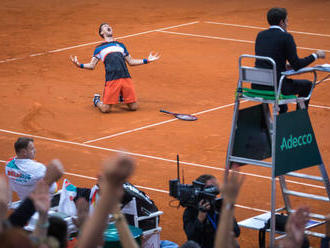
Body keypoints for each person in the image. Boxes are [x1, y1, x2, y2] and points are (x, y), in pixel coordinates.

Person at [70, 23, 160, 113]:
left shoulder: (120, 45)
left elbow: (131, 61)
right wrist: (80, 65)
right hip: (112, 79)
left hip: (125, 77)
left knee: (134, 107)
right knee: (106, 109)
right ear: (102, 33)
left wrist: (147, 60)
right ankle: (96, 101)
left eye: (109, 26)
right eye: (105, 26)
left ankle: (121, 95)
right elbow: (92, 65)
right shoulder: (99, 48)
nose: (109, 27)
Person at [253, 7, 326, 113]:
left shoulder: (260, 35)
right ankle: (300, 118)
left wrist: (283, 65)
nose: (288, 24)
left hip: (258, 85)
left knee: (282, 81)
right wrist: (315, 55)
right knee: (307, 85)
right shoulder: (286, 37)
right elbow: (296, 65)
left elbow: (267, 60)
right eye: (287, 20)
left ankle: (283, 114)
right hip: (277, 87)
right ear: (282, 22)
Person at [182, 174, 240, 248]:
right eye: (210, 188)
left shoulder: (219, 207)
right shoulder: (191, 211)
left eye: (215, 187)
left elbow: (236, 232)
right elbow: (192, 238)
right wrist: (200, 218)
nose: (214, 191)